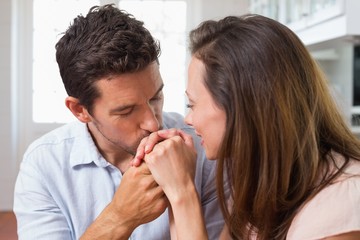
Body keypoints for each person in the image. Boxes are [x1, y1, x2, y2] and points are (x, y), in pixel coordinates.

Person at [134, 14, 360, 239]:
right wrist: (174, 187)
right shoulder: (258, 178)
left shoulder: (341, 204)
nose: (188, 120)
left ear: (239, 108)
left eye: (191, 104)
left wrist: (182, 191)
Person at [13, 4, 225, 240]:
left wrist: (184, 192)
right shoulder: (44, 165)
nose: (153, 124)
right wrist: (120, 217)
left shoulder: (202, 146)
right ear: (80, 110)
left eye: (156, 97)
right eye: (126, 111)